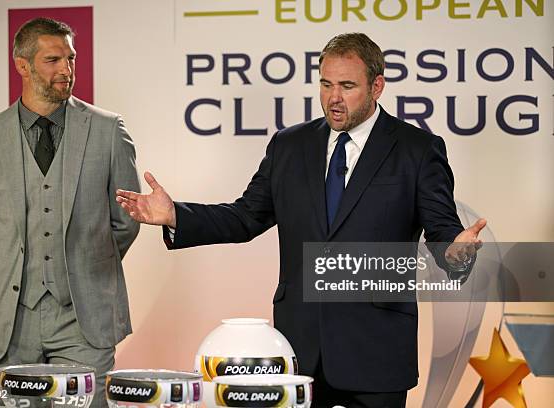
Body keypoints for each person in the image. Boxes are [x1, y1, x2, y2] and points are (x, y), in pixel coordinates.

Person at [116, 33, 485, 407]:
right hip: (300, 352)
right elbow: (245, 217)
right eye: (325, 84)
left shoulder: (417, 149)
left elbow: (444, 234)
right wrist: (175, 214)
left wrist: (458, 253)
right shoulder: (288, 146)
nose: (333, 98)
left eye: (347, 86)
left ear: (377, 86)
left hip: (377, 349)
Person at [0, 17, 140, 406]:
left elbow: (125, 221)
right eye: (53, 60)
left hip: (84, 318)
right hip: (11, 322)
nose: (66, 70)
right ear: (22, 66)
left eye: (70, 59)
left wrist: (85, 263)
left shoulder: (108, 130)